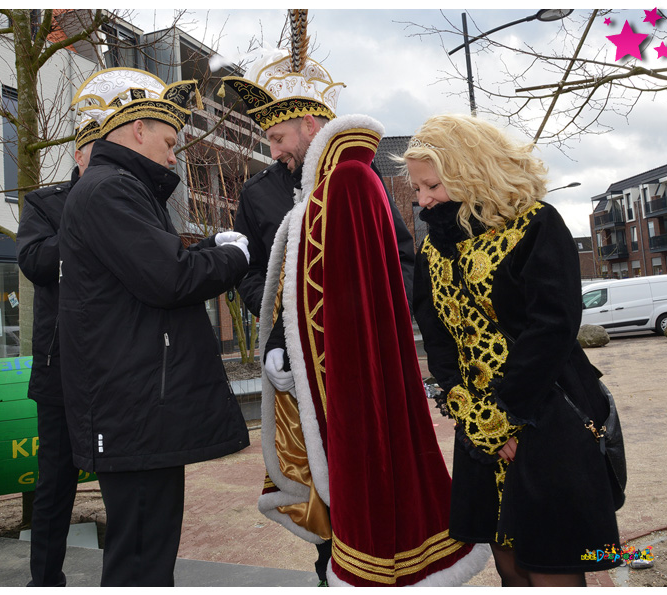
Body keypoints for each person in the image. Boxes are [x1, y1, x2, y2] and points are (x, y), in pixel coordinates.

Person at [224, 25, 489, 586]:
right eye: (268, 141)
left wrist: (382, 328)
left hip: (350, 359)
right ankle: (330, 570)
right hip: (293, 361)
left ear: (311, 125)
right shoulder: (259, 194)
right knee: (325, 491)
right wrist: (277, 327)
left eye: (278, 138)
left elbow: (399, 260)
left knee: (356, 474)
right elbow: (256, 276)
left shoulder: (355, 181)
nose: (272, 151)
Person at [405, 114, 622, 586]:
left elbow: (554, 326)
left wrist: (506, 414)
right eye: (418, 190)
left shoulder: (537, 223)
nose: (423, 201)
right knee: (508, 559)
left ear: (469, 170)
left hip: (547, 413)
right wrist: (474, 414)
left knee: (552, 560)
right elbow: (437, 336)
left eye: (433, 185)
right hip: (479, 425)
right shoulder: (433, 249)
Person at [57, 67, 251, 587]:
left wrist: (209, 248)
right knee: (142, 554)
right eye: (169, 142)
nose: (173, 157)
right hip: (136, 406)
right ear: (138, 129)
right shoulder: (110, 191)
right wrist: (232, 258)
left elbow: (151, 268)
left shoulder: (113, 188)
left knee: (144, 545)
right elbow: (169, 278)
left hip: (135, 401)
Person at [15, 103, 102, 586]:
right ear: (78, 155)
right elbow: (34, 262)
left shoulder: (129, 198)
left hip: (114, 367)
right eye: (96, 153)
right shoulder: (45, 204)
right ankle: (45, 580)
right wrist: (82, 219)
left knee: (126, 482)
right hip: (59, 369)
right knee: (55, 484)